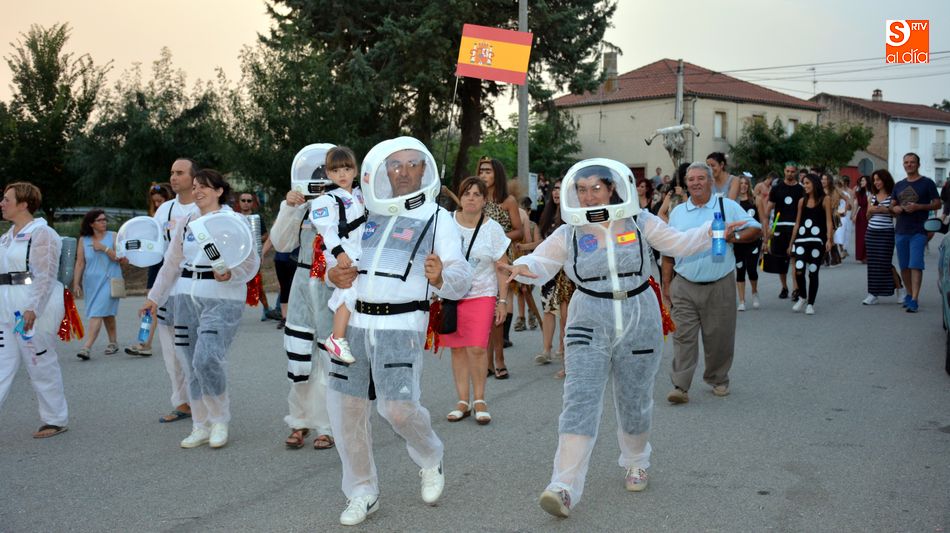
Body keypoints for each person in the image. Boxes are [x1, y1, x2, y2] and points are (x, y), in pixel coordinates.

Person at [502, 159, 724, 518]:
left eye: (596, 188)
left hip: (640, 317)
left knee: (635, 398)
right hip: (588, 318)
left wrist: (714, 231)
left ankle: (636, 461)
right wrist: (521, 268)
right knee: (579, 400)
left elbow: (679, 244)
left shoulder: (640, 221)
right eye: (582, 189)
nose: (589, 196)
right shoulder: (570, 232)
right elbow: (541, 262)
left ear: (612, 190)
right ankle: (563, 486)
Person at [323, 137, 472, 526]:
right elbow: (334, 262)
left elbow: (461, 275)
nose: (403, 172)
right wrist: (332, 274)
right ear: (382, 172)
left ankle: (430, 454)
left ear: (425, 170)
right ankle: (362, 491)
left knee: (397, 408)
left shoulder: (438, 219)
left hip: (401, 324)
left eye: (412, 164)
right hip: (355, 323)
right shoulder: (363, 211)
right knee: (347, 410)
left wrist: (442, 277)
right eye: (395, 165)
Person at [142, 169, 260, 449]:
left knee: (207, 359)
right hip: (185, 296)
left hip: (222, 298)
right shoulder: (187, 222)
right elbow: (171, 263)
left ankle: (219, 420)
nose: (197, 191)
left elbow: (250, 261)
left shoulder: (234, 221)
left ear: (219, 191)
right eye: (194, 187)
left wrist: (231, 273)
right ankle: (200, 424)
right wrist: (153, 298)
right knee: (189, 363)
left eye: (204, 187)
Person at [663, 162, 762, 404]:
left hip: (720, 283)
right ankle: (680, 386)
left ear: (710, 181)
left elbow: (755, 229)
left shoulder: (726, 206)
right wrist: (666, 285)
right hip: (684, 284)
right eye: (691, 179)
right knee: (683, 337)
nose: (696, 183)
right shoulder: (677, 213)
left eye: (701, 178)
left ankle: (717, 378)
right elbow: (668, 250)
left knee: (719, 337)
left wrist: (732, 236)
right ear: (686, 183)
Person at [269, 143, 337, 450]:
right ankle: (299, 420)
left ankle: (328, 426)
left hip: (333, 286)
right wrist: (290, 207)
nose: (323, 179)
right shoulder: (303, 207)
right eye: (319, 173)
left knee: (328, 359)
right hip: (302, 283)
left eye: (330, 172)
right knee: (299, 356)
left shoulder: (350, 204)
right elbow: (281, 243)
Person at [0, 182, 69, 439]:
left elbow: (46, 275)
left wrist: (33, 309)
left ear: (23, 204)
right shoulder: (6, 237)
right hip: (6, 307)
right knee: (2, 364)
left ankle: (55, 419)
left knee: (39, 362)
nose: (2, 204)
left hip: (32, 307)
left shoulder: (42, 234)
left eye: (7, 199)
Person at [441, 177, 510, 425]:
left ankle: (480, 399)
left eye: (476, 194)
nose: (471, 198)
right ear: (460, 197)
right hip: (451, 294)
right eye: (466, 193)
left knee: (478, 347)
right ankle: (463, 401)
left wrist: (503, 301)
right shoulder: (446, 223)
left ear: (484, 200)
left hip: (482, 293)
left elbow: (502, 266)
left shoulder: (493, 229)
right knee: (458, 348)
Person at [309, 146, 365, 364]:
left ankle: (347, 336)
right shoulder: (325, 200)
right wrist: (339, 252)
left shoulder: (362, 195)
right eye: (336, 170)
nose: (342, 174)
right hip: (340, 252)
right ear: (328, 173)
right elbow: (327, 231)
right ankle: (337, 337)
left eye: (347, 169)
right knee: (349, 288)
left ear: (355, 171)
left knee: (359, 290)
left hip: (360, 252)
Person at [476, 157, 522, 376]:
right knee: (484, 310)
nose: (484, 175)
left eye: (488, 171)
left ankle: (500, 359)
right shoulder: (476, 198)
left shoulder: (508, 200)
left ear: (497, 174)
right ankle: (487, 362)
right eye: (481, 171)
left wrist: (498, 237)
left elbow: (519, 231)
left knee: (497, 309)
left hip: (501, 258)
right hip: (480, 259)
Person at [124, 183, 174, 357]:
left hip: (174, 262)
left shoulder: (178, 214)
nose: (158, 205)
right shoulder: (154, 217)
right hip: (156, 262)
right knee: (150, 302)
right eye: (155, 202)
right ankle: (144, 342)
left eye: (160, 201)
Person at [890, 152, 942, 312]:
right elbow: (892, 205)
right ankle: (909, 293)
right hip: (901, 230)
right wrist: (895, 208)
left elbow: (938, 204)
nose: (909, 165)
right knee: (904, 266)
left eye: (912, 162)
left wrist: (919, 206)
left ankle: (914, 299)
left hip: (919, 230)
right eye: (906, 162)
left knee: (915, 265)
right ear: (903, 165)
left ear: (918, 164)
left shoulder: (927, 182)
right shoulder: (899, 185)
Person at [72, 209, 125, 360]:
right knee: (107, 313)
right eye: (100, 220)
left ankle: (86, 347)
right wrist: (76, 283)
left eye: (104, 219)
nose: (104, 222)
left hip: (110, 280)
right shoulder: (84, 240)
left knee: (97, 312)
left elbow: (120, 258)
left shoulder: (113, 236)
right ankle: (113, 342)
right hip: (91, 282)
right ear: (91, 224)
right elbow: (80, 263)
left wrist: (104, 248)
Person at [533, 179, 573, 374]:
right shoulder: (547, 214)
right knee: (548, 309)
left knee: (566, 316)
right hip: (550, 271)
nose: (557, 192)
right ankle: (546, 350)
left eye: (560, 189)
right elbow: (542, 242)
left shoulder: (571, 215)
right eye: (555, 189)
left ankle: (564, 350)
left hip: (567, 273)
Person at [787, 173, 834, 315]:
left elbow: (829, 221)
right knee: (799, 270)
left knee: (813, 272)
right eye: (804, 183)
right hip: (801, 241)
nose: (805, 186)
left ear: (814, 183)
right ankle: (802, 296)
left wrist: (829, 239)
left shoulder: (825, 199)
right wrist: (791, 243)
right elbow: (797, 223)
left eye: (807, 183)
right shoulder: (802, 201)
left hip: (817, 242)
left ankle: (810, 304)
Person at [764, 162, 804, 299]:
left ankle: (796, 289)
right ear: (784, 171)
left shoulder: (801, 189)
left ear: (796, 172)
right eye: (787, 171)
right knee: (781, 260)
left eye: (792, 171)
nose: (790, 174)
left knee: (794, 259)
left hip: (795, 228)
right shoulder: (776, 188)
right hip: (779, 228)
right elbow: (768, 210)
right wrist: (767, 229)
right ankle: (784, 287)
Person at [863, 170, 899, 305]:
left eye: (878, 179)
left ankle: (900, 289)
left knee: (885, 263)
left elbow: (896, 214)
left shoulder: (893, 196)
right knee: (872, 264)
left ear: (885, 179)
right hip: (871, 232)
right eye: (874, 180)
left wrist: (886, 210)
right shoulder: (872, 196)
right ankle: (872, 294)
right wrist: (871, 211)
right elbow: (867, 216)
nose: (876, 182)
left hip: (886, 233)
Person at [513, 196, 543, 332]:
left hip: (529, 262)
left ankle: (532, 313)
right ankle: (521, 318)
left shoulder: (532, 225)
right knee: (519, 291)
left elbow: (538, 243)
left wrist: (524, 246)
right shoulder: (514, 226)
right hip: (515, 261)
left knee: (526, 289)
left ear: (528, 211)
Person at [734, 174, 761, 311]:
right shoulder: (733, 203)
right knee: (740, 270)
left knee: (751, 269)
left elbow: (762, 220)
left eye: (745, 183)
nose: (743, 186)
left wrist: (765, 238)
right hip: (738, 241)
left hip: (753, 241)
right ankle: (742, 301)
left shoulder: (755, 201)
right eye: (741, 183)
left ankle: (754, 292)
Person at [852, 175, 870, 263]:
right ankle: (861, 256)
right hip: (861, 215)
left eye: (863, 181)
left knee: (867, 235)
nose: (861, 182)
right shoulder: (859, 192)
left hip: (868, 215)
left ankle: (867, 256)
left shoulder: (871, 192)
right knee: (860, 236)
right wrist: (854, 215)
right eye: (861, 181)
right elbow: (856, 203)